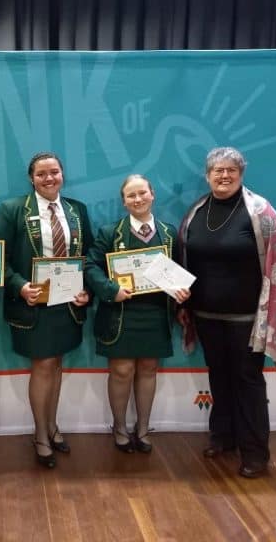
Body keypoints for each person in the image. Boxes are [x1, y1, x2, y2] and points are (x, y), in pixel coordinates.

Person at [177, 147, 276, 478]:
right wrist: (184, 302)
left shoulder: (261, 213)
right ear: (207, 175)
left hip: (248, 319)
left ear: (241, 174)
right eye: (217, 170)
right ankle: (223, 437)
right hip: (206, 315)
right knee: (219, 376)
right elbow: (186, 260)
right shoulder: (196, 211)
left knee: (248, 381)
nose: (224, 175)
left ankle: (255, 453)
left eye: (231, 170)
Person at [0, 151, 93, 468]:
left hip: (67, 305)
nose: (49, 178)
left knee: (57, 364)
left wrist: (86, 291)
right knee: (44, 364)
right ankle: (40, 434)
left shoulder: (77, 210)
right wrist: (21, 286)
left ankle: (52, 426)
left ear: (63, 174)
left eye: (54, 172)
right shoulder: (12, 210)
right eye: (41, 174)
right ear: (31, 178)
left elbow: (88, 257)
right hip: (33, 303)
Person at [85, 174, 189, 453]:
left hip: (155, 312)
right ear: (124, 202)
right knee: (121, 370)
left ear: (152, 194)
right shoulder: (110, 233)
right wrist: (110, 288)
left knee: (148, 368)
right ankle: (119, 428)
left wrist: (181, 293)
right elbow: (90, 267)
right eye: (131, 195)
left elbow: (180, 273)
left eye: (142, 193)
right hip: (119, 313)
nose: (137, 199)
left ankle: (143, 428)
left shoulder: (169, 233)